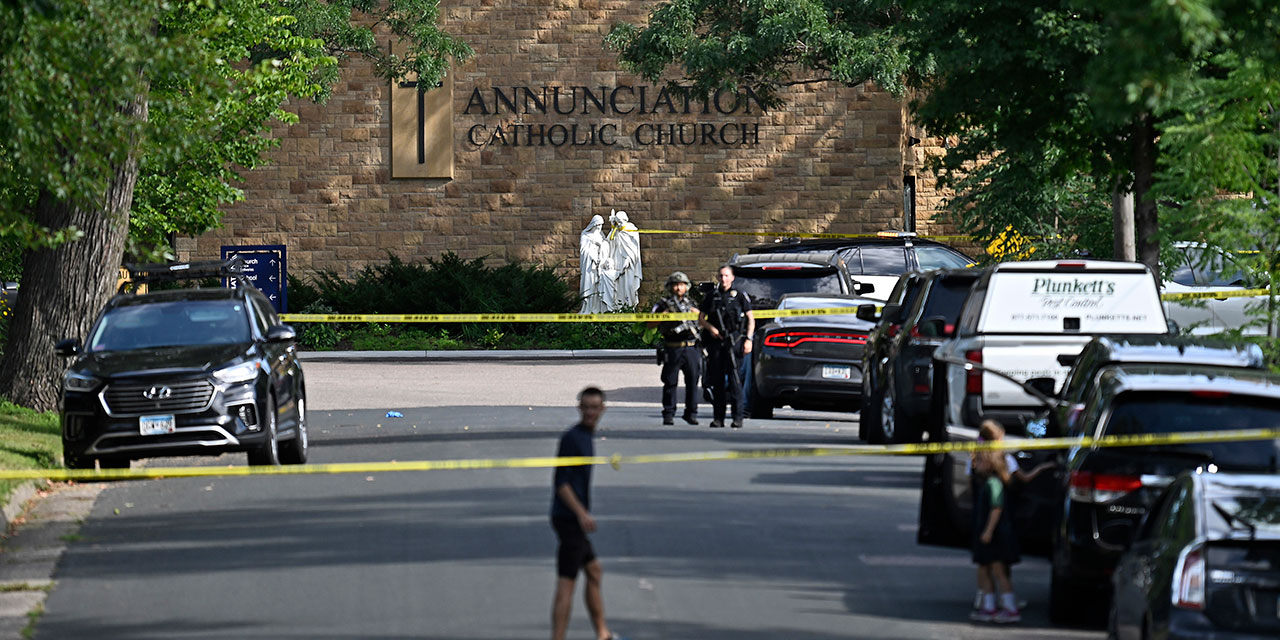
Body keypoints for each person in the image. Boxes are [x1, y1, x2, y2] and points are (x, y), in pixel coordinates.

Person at [550, 387, 623, 640]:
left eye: (595, 407)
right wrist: (582, 514)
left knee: (594, 571)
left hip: (573, 518)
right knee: (566, 584)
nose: (591, 412)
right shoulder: (573, 438)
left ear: (602, 409)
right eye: (586, 407)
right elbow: (561, 484)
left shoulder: (586, 436)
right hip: (569, 518)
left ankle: (603, 634)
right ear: (579, 407)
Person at [698, 265, 754, 429]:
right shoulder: (711, 296)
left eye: (726, 276)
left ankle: (737, 418)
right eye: (721, 276)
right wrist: (711, 329)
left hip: (734, 343)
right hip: (716, 343)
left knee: (736, 382)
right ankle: (718, 418)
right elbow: (701, 318)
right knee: (718, 382)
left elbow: (750, 319)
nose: (723, 279)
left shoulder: (739, 296)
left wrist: (748, 339)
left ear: (732, 277)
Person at [969, 448, 1021, 624]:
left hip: (996, 535)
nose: (976, 464)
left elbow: (996, 507)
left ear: (990, 463)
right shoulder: (987, 482)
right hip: (989, 534)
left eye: (981, 460)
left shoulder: (993, 483)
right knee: (984, 569)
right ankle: (989, 607)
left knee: (999, 571)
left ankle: (1010, 608)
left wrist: (988, 531)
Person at [650, 271, 702, 425]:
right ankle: (668, 413)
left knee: (693, 381)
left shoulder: (691, 304)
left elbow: (704, 320)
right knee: (670, 382)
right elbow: (649, 323)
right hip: (673, 347)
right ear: (670, 287)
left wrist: (696, 313)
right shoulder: (662, 304)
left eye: (682, 285)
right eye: (676, 285)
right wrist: (664, 315)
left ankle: (691, 413)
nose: (679, 288)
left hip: (691, 347)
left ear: (686, 287)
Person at [578, 215, 607, 313]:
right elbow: (583, 251)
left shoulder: (601, 236)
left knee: (597, 286)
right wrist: (593, 257)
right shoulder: (585, 235)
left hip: (598, 266)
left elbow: (606, 248)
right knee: (588, 285)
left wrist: (601, 245)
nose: (599, 227)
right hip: (589, 266)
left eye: (601, 225)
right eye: (598, 225)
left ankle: (597, 308)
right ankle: (587, 308)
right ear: (593, 225)